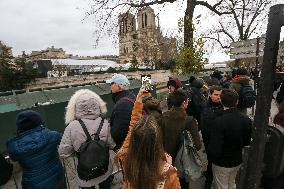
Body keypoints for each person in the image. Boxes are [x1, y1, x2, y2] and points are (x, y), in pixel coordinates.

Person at [117, 87, 181, 189]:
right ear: (157, 140)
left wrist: (139, 100)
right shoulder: (168, 173)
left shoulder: (125, 158)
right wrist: (168, 166)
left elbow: (132, 125)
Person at [58, 89, 115, 189]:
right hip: (104, 169)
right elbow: (111, 144)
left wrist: (79, 152)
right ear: (96, 105)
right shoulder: (105, 123)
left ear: (77, 107)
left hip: (85, 173)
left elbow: (63, 152)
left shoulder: (72, 127)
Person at [6, 110, 65, 189]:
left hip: (32, 185)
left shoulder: (14, 146)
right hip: (56, 179)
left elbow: (13, 157)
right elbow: (63, 139)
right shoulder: (50, 135)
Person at [208, 89, 252, 189]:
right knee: (232, 183)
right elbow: (247, 141)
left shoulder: (218, 121)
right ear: (237, 102)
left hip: (222, 162)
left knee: (221, 186)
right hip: (237, 159)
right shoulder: (246, 119)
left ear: (221, 101)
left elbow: (215, 147)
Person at [160, 89, 202, 189]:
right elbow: (198, 145)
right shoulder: (189, 121)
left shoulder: (163, 117)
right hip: (182, 164)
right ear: (184, 102)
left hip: (165, 161)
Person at [200, 85, 223, 189]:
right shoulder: (205, 106)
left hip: (219, 139)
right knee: (211, 160)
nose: (218, 97)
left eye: (220, 95)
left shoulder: (224, 106)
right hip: (208, 139)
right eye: (216, 95)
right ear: (210, 94)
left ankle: (210, 178)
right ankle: (209, 179)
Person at [107, 74, 136, 150]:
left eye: (112, 83)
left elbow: (118, 133)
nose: (110, 86)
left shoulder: (123, 104)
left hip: (128, 148)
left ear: (119, 87)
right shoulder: (131, 96)